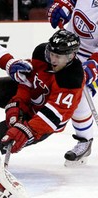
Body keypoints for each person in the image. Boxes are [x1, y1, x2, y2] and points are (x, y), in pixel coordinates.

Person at [0, 30, 85, 158]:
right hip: (31, 98)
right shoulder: (41, 53)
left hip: (42, 120)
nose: (53, 59)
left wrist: (26, 130)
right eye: (51, 54)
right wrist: (17, 103)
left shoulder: (72, 78)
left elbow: (53, 117)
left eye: (58, 56)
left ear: (71, 56)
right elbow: (27, 82)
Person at [47, 0, 98, 165]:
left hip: (93, 56)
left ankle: (85, 141)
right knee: (43, 80)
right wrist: (64, 4)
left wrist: (94, 65)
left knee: (80, 96)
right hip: (69, 49)